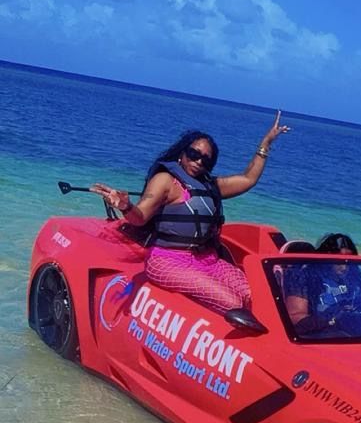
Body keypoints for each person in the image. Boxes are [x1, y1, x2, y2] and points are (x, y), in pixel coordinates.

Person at [91, 111, 289, 311]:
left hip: (209, 260)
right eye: (194, 154)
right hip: (168, 262)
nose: (199, 161)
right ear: (182, 153)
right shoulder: (166, 181)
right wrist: (126, 206)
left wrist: (266, 142)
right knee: (234, 304)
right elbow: (140, 217)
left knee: (256, 297)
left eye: (206, 159)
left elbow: (248, 179)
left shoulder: (210, 186)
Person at [284, 232, 361, 331]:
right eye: (339, 260)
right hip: (326, 332)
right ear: (326, 257)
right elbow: (294, 317)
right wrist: (333, 321)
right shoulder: (304, 277)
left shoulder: (353, 273)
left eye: (349, 260)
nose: (344, 267)